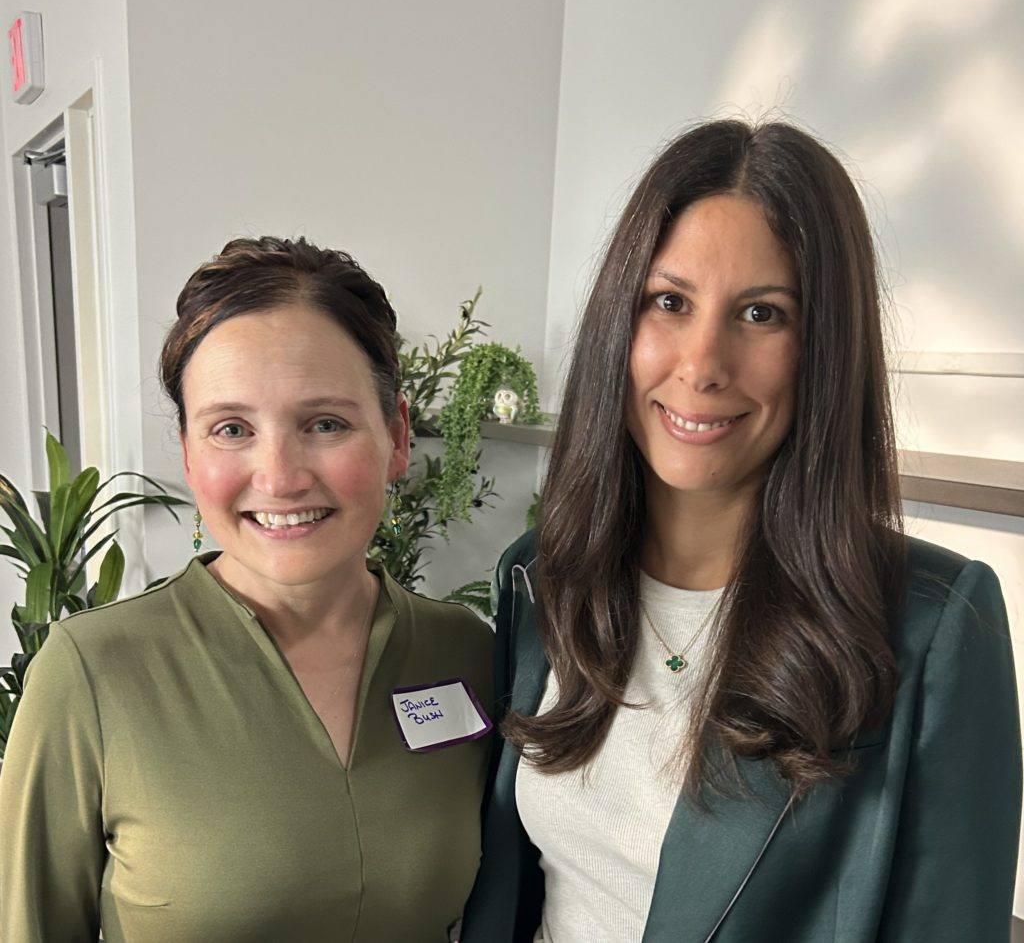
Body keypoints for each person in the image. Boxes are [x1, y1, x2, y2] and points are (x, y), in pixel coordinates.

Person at [461, 120, 1022, 942]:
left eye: (762, 313)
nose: (701, 364)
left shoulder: (930, 626)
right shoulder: (545, 577)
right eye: (670, 302)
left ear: (824, 348)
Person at [0, 237, 494, 942]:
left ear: (397, 436)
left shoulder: (465, 653)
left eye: (325, 424)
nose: (280, 476)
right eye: (231, 428)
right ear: (188, 452)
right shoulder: (93, 674)